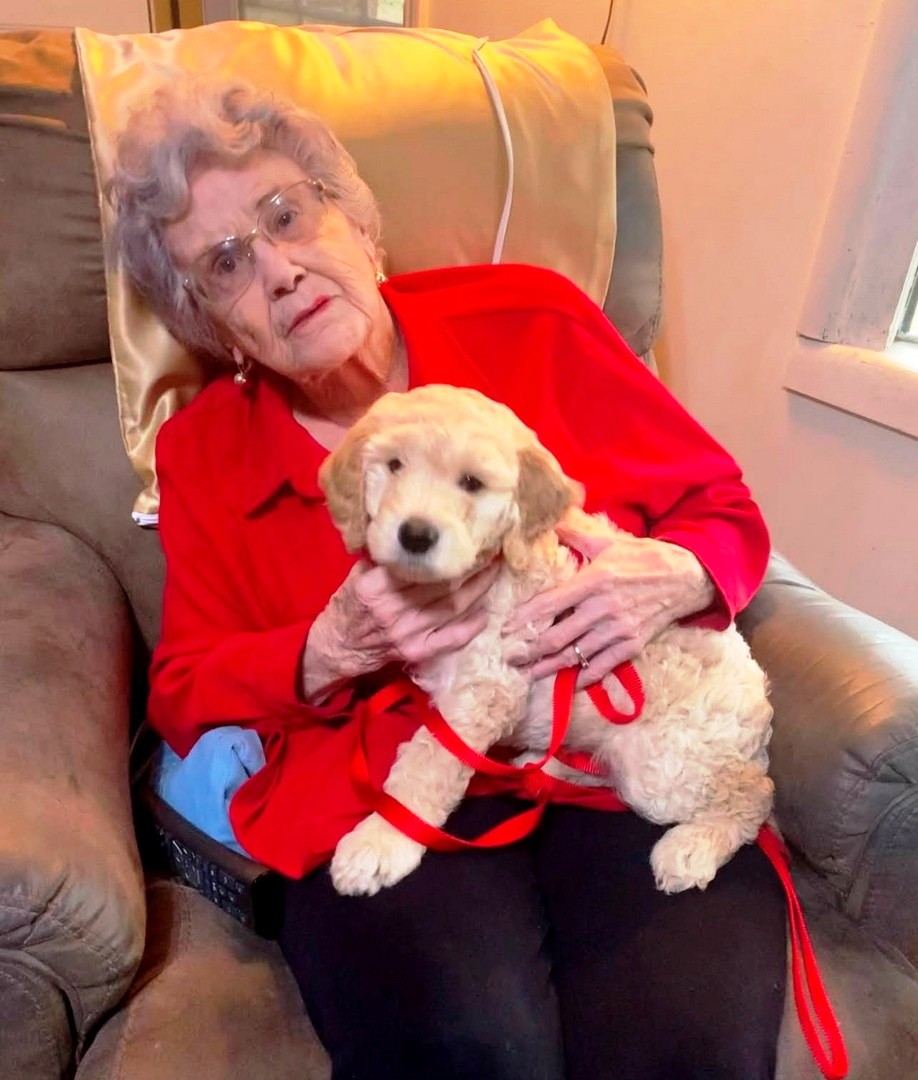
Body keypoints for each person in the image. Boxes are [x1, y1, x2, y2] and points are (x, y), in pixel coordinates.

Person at [111, 77, 786, 1080]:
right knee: (469, 1050)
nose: (280, 271)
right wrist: (322, 651)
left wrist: (673, 575)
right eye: (226, 264)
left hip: (612, 743)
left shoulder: (533, 319)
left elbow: (724, 510)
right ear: (215, 327)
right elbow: (182, 691)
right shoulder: (206, 453)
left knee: (687, 1051)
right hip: (378, 785)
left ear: (356, 219)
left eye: (286, 215)